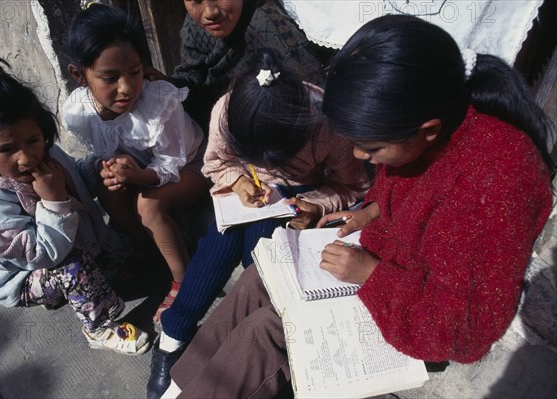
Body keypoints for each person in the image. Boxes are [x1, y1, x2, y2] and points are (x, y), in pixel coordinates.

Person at [160, 14, 556, 398]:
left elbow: (463, 332)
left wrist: (370, 274)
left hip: (416, 319)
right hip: (377, 269)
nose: (359, 155)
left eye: (370, 148)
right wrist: (371, 210)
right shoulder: (423, 120)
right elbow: (409, 188)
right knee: (259, 278)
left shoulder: (497, 186)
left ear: (428, 130)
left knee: (268, 331)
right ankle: (183, 387)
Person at [146, 48, 370, 398]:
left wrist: (314, 204)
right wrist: (238, 180)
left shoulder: (326, 126)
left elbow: (352, 187)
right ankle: (172, 339)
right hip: (243, 194)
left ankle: (230, 352)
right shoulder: (227, 110)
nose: (268, 165)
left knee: (261, 257)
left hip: (297, 201)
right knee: (220, 243)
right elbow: (214, 163)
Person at [0, 49, 151, 356]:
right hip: (18, 277)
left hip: (63, 244)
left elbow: (75, 178)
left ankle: (85, 277)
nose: (26, 157)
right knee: (72, 268)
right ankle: (98, 328)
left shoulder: (45, 156)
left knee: (114, 250)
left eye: (33, 141)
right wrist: (54, 202)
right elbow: (41, 257)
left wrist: (99, 168)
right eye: (6, 149)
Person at [63, 3, 209, 310]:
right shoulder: (80, 111)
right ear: (79, 75)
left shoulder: (157, 102)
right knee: (109, 192)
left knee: (149, 202)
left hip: (192, 165)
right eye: (110, 78)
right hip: (145, 168)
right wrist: (113, 171)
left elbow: (171, 162)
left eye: (134, 72)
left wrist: (137, 176)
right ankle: (144, 248)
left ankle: (184, 281)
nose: (127, 87)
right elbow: (109, 151)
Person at [164, 0, 330, 132]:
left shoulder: (270, 29)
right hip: (213, 131)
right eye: (196, 0)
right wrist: (169, 84)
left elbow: (315, 99)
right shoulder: (194, 27)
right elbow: (192, 74)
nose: (210, 12)